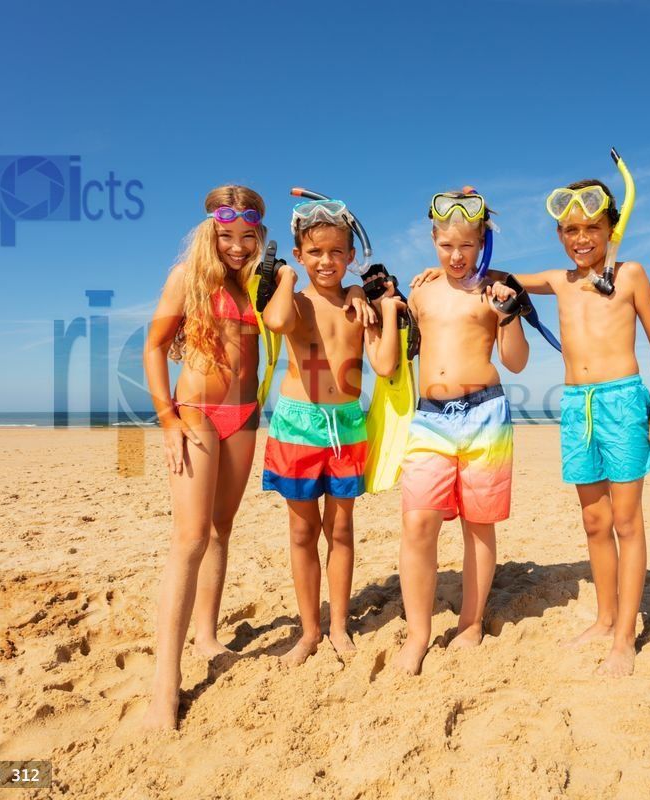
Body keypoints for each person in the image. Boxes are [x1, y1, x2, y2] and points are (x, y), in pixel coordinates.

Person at [411, 176, 650, 676]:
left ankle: (624, 638)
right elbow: (490, 273)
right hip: (577, 407)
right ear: (559, 235)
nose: (581, 239)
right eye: (570, 230)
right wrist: (443, 264)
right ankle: (603, 618)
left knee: (626, 521)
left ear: (610, 228)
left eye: (591, 229)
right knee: (594, 522)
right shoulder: (559, 281)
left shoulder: (631, 274)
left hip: (621, 401)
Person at [142, 185, 271, 729]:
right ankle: (163, 685)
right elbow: (152, 347)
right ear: (209, 234)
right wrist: (167, 419)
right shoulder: (187, 280)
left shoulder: (259, 285)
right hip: (194, 413)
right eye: (226, 236)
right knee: (190, 538)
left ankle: (208, 635)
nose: (236, 246)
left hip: (244, 416)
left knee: (222, 528)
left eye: (247, 236)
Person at [261, 197, 402, 665]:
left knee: (341, 530)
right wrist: (284, 276)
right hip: (298, 426)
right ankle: (309, 631)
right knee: (303, 534)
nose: (326, 261)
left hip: (346, 426)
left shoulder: (358, 309)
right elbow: (277, 321)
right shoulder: (295, 302)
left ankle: (339, 625)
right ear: (299, 255)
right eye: (315, 252)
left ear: (350, 256)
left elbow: (383, 366)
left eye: (337, 252)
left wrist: (383, 306)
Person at [393, 189, 528, 675]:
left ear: (482, 243)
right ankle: (418, 633)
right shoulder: (421, 291)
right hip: (430, 417)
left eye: (467, 245)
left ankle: (470, 623)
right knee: (417, 521)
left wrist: (507, 315)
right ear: (432, 239)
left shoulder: (493, 289)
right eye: (447, 244)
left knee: (479, 523)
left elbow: (515, 361)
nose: (456, 255)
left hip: (485, 416)